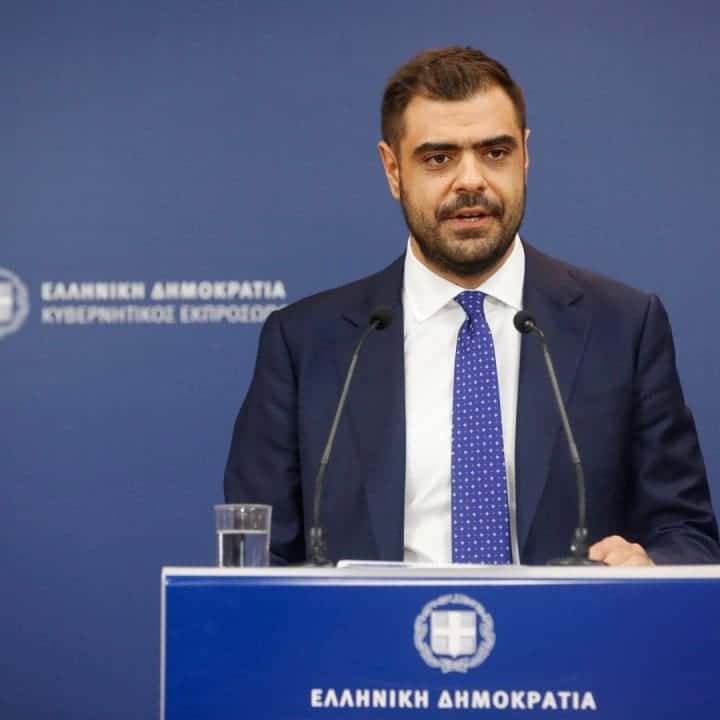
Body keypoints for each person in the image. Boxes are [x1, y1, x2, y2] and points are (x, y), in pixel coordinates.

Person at [224, 47, 720, 566]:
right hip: (369, 622)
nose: (471, 181)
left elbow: (687, 533)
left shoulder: (623, 327)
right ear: (392, 169)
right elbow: (256, 558)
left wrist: (650, 566)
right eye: (438, 158)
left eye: (495, 152)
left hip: (570, 621)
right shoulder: (306, 344)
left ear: (525, 155)